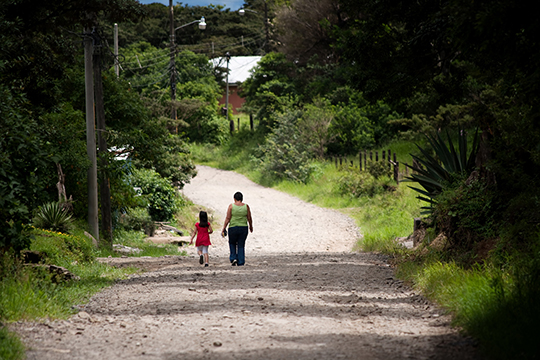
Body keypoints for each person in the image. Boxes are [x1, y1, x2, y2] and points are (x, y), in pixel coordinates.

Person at [221, 192, 253, 266]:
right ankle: (241, 261)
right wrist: (251, 226)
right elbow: (249, 218)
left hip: (233, 228)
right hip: (243, 228)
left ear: (234, 199)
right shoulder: (246, 206)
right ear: (242, 199)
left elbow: (228, 218)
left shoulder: (231, 206)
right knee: (241, 244)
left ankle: (233, 258)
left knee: (232, 243)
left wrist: (224, 228)